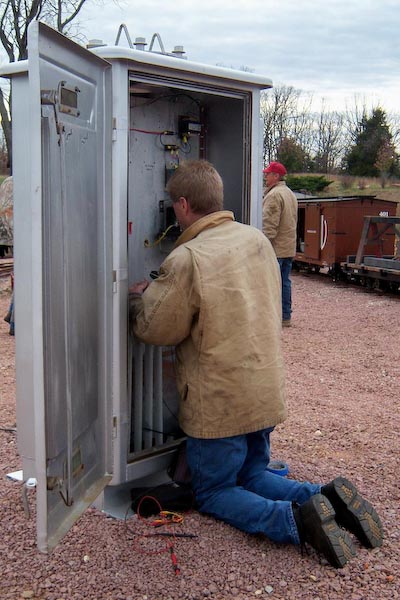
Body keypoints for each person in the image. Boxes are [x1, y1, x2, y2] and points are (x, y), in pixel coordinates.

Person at [129, 160, 383, 568]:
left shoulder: (187, 257)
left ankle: (296, 522)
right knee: (253, 474)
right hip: (263, 394)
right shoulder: (255, 240)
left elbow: (157, 329)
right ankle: (325, 497)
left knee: (214, 491)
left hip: (220, 405)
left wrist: (138, 297)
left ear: (181, 204)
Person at [262, 161, 298, 327]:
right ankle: (285, 316)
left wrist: (262, 245)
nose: (265, 176)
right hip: (288, 248)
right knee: (285, 282)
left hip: (276, 249)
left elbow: (269, 225)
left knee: (271, 284)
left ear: (276, 176)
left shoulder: (274, 195)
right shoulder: (289, 194)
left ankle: (273, 318)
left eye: (268, 174)